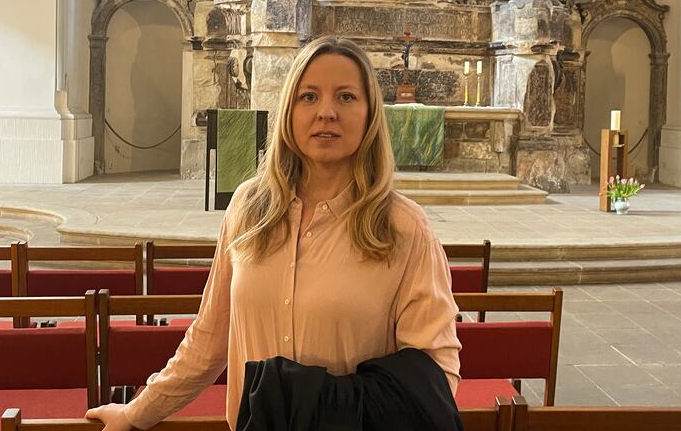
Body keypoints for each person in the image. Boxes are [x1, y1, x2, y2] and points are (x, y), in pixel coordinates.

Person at [85, 36, 461, 430]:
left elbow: (436, 375)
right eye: (309, 96)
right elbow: (210, 338)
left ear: (370, 114)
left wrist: (332, 409)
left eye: (346, 97)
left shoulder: (403, 227)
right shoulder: (249, 209)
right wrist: (135, 413)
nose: (327, 112)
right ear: (288, 111)